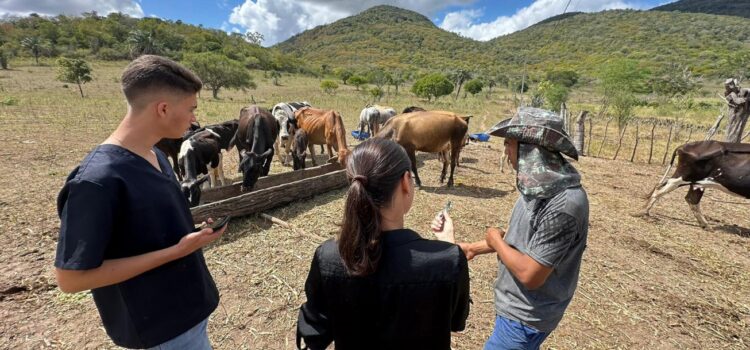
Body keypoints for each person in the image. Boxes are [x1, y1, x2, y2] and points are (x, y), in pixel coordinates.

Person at [54, 55, 226, 349]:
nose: (195, 119)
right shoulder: (96, 181)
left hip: (189, 311)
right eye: (191, 109)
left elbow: (145, 227)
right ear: (163, 108)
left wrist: (191, 231)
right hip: (160, 331)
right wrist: (177, 251)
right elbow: (71, 279)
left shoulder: (155, 154)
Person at [296, 137, 471, 350]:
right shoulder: (448, 261)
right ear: (406, 181)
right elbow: (456, 321)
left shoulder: (329, 257)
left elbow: (314, 334)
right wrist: (448, 246)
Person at [441, 107, 589, 350]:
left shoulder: (564, 204)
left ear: (529, 150)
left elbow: (531, 275)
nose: (506, 151)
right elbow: (523, 240)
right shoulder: (537, 187)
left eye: (509, 144)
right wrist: (474, 248)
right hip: (516, 308)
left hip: (526, 317)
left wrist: (494, 239)